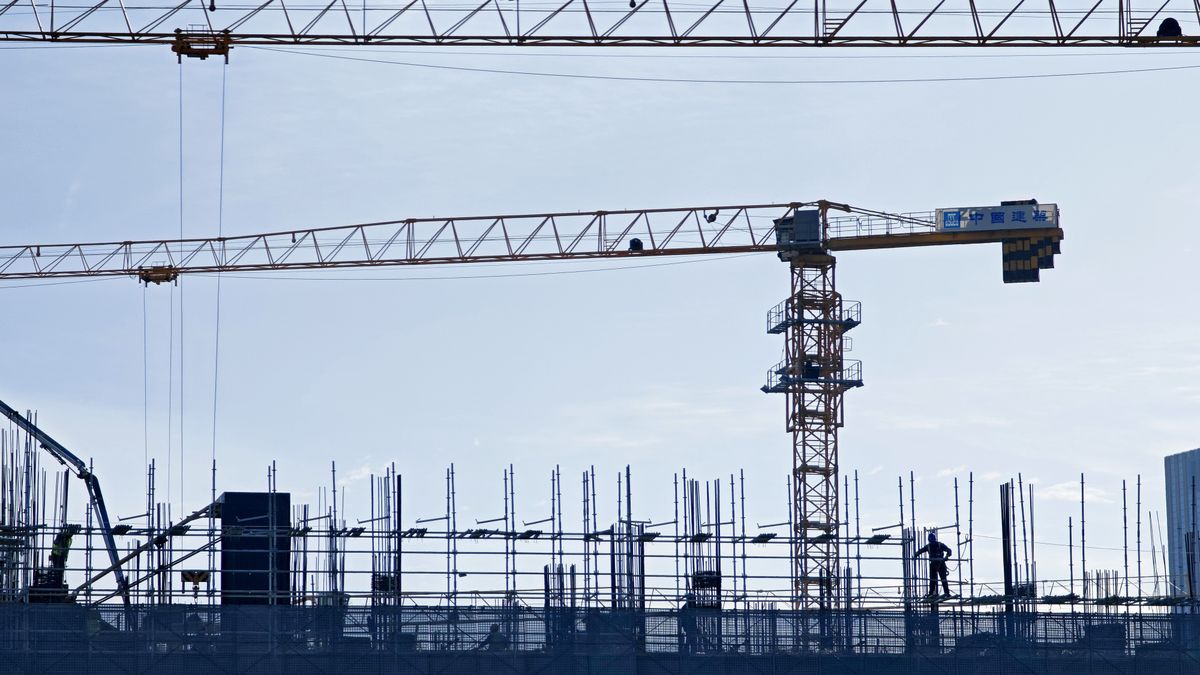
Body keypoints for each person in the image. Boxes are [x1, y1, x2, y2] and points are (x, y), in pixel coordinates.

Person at [913, 532, 953, 598]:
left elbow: (949, 550)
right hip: (934, 564)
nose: (932, 543)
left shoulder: (940, 545)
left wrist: (947, 556)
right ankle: (931, 593)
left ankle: (946, 593)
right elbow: (921, 550)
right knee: (932, 579)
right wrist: (916, 554)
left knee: (942, 579)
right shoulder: (928, 546)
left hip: (941, 563)